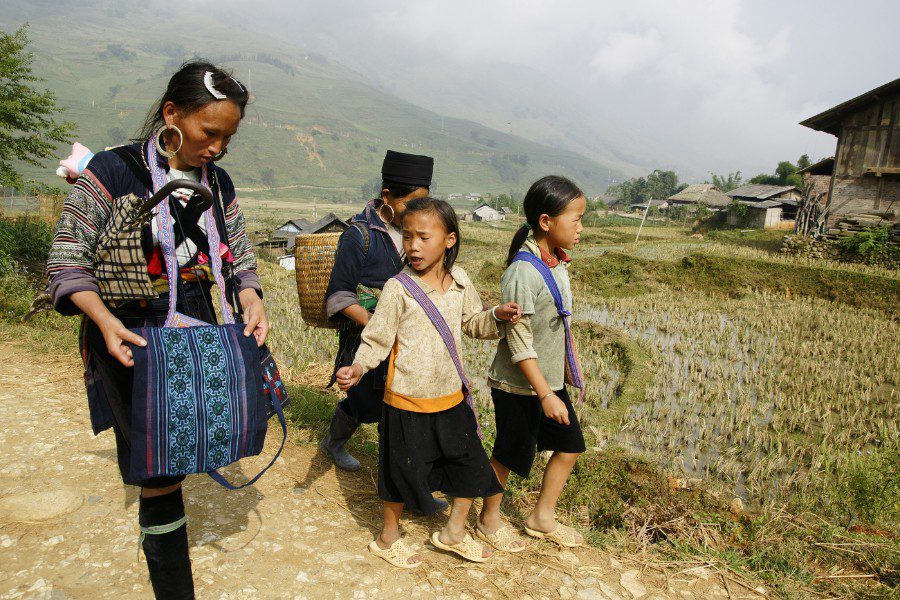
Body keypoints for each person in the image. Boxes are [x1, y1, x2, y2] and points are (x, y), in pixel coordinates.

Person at [46, 61, 266, 598]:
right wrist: (104, 322)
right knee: (160, 471)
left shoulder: (219, 182)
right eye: (208, 133)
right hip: (130, 335)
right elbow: (67, 260)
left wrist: (250, 294)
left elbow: (236, 255)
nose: (216, 148)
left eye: (227, 138)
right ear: (172, 114)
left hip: (195, 328)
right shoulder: (114, 171)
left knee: (185, 447)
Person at [336, 198, 521, 567]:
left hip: (451, 397)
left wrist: (496, 315)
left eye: (423, 237)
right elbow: (377, 338)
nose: (413, 246)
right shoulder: (398, 288)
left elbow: (472, 325)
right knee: (401, 471)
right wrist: (357, 369)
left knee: (469, 466)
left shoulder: (461, 281)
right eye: (407, 237)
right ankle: (388, 539)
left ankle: (453, 532)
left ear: (449, 240)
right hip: (407, 400)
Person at [479, 175, 587, 550]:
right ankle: (488, 520)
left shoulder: (557, 262)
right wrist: (545, 395)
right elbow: (519, 341)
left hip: (549, 381)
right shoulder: (522, 272)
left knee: (570, 446)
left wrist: (563, 375)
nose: (580, 228)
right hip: (520, 385)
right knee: (508, 455)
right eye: (575, 220)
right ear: (546, 222)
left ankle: (542, 517)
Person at [321, 150, 433, 472]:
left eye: (423, 203)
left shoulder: (417, 237)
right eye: (411, 203)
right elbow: (339, 296)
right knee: (363, 400)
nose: (417, 211)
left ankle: (395, 471)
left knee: (396, 402)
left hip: (405, 339)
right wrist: (378, 323)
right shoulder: (360, 237)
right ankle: (334, 441)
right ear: (387, 196)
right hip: (365, 336)